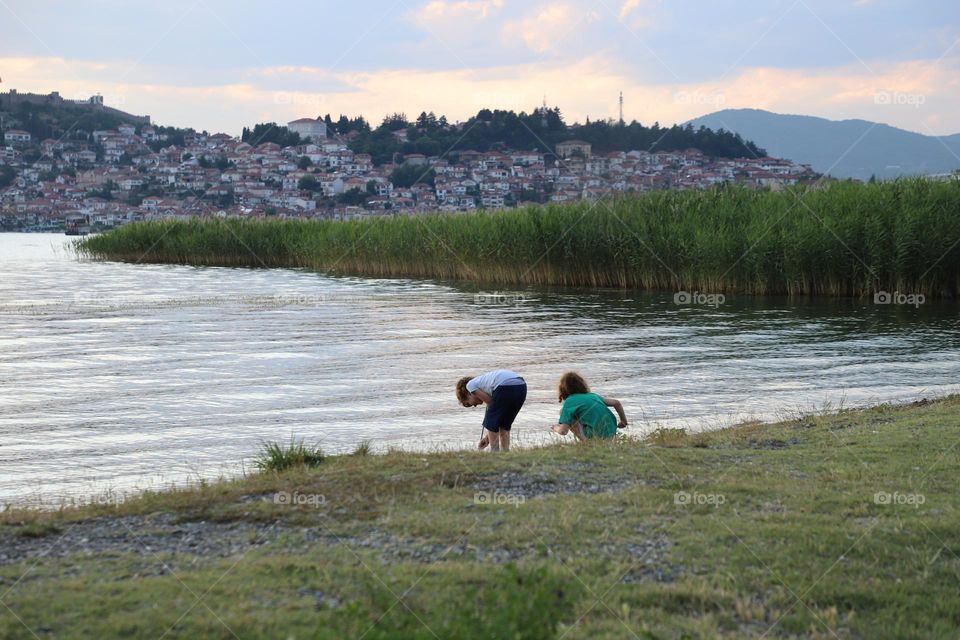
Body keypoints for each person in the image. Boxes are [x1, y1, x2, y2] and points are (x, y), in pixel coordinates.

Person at [456, 369, 527, 452]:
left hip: (505, 386)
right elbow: (497, 418)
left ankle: (495, 453)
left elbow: (490, 404)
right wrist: (487, 438)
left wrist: (488, 436)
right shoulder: (485, 383)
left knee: (491, 422)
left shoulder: (469, 385)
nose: (474, 406)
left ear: (468, 393)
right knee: (504, 425)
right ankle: (506, 453)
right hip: (521, 386)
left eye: (469, 403)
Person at [550, 371, 627, 441]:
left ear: (562, 390)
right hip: (611, 432)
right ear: (582, 384)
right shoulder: (593, 396)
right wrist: (623, 421)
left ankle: (586, 443)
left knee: (564, 413)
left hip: (597, 436)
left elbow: (563, 431)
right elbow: (616, 403)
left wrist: (556, 428)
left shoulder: (569, 402)